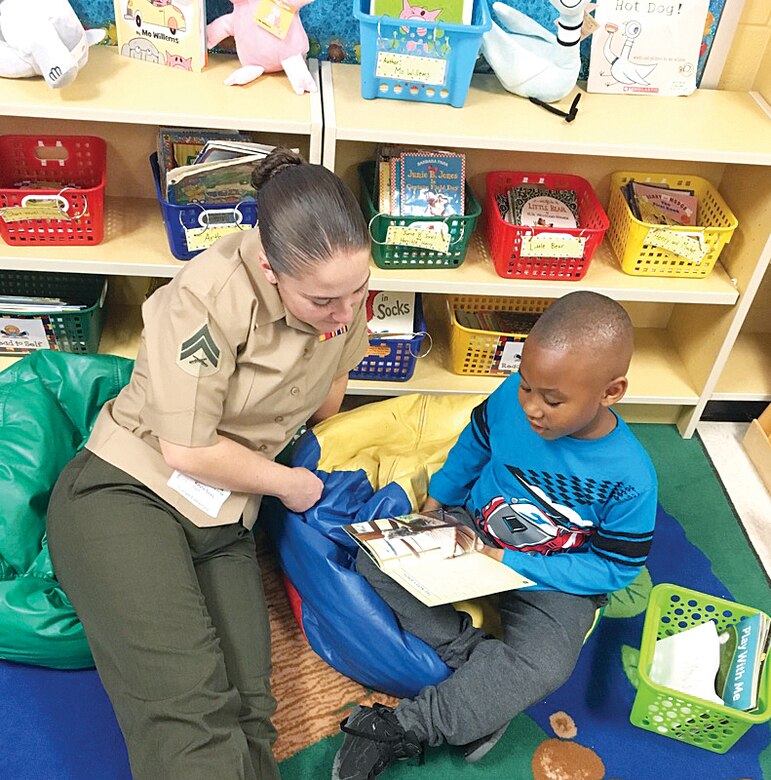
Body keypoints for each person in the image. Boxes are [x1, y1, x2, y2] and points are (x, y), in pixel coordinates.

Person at [46, 148, 372, 780]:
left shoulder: (340, 296)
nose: (346, 311)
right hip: (127, 493)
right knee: (189, 716)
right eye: (325, 299)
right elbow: (186, 449)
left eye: (358, 289)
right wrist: (293, 485)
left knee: (250, 713)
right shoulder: (207, 297)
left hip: (223, 517)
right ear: (272, 270)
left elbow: (330, 385)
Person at [332, 291, 658, 780]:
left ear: (611, 392)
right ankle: (479, 663)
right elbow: (476, 443)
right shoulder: (512, 399)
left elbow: (615, 568)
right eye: (527, 386)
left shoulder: (631, 477)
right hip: (473, 530)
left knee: (547, 664)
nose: (531, 407)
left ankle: (402, 728)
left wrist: (514, 563)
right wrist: (439, 500)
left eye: (552, 399)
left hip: (555, 578)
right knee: (372, 560)